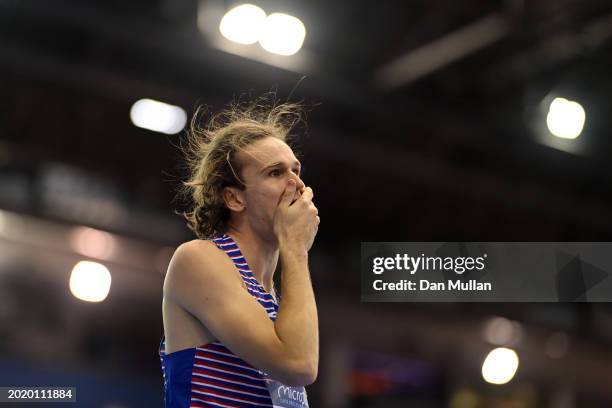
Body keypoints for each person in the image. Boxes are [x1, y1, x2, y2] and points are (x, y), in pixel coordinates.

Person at [159, 99, 320, 408]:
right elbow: (299, 364)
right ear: (233, 198)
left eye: (295, 170)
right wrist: (296, 249)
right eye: (275, 173)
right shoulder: (199, 260)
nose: (297, 185)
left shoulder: (274, 297)